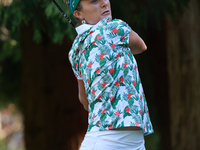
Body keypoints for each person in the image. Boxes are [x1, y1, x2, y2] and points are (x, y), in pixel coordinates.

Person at [67, 0, 154, 149]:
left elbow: (84, 100)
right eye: (94, 1)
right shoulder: (114, 27)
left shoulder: (75, 49)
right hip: (106, 141)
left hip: (133, 143)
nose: (104, 3)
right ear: (78, 14)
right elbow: (141, 46)